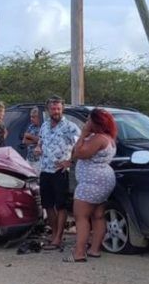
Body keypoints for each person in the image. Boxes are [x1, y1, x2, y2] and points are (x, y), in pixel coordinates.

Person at [64, 109, 117, 263]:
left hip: (91, 182)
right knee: (98, 215)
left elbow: (78, 153)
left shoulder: (98, 139)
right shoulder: (109, 138)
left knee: (81, 217)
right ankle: (95, 249)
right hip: (104, 180)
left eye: (88, 120)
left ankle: (79, 253)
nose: (86, 123)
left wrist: (83, 134)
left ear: (96, 122)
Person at [36, 96, 80, 251]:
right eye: (53, 109)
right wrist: (38, 148)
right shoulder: (44, 126)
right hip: (45, 169)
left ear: (62, 109)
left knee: (60, 205)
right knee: (48, 204)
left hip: (60, 171)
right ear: (48, 110)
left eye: (58, 109)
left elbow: (80, 145)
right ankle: (54, 234)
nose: (55, 112)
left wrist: (70, 161)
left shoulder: (70, 127)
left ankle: (59, 238)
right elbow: (40, 141)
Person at [20, 107, 43, 172]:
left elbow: (42, 141)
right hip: (29, 158)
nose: (31, 119)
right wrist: (36, 140)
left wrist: (30, 136)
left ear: (39, 117)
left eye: (33, 117)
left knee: (37, 179)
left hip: (38, 160)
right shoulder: (31, 127)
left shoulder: (43, 127)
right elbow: (24, 141)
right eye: (31, 117)